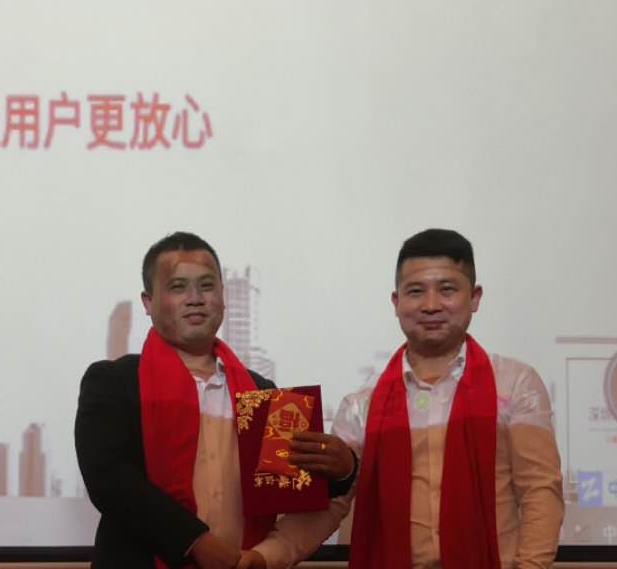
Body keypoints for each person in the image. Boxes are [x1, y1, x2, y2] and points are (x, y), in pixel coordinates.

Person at [76, 232, 353, 569]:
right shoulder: (112, 381)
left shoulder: (261, 391)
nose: (195, 299)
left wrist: (344, 472)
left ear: (222, 296)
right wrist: (193, 541)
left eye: (207, 286)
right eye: (178, 287)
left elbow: (293, 491)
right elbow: (109, 479)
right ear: (148, 302)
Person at [333, 228, 564, 569]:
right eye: (416, 292)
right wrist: (267, 556)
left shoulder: (515, 384)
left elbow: (539, 491)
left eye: (447, 290)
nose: (431, 305)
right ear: (396, 302)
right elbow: (332, 504)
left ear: (474, 297)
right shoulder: (361, 404)